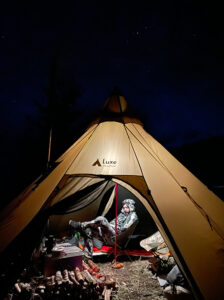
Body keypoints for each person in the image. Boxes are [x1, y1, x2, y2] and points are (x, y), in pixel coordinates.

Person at [69, 199, 138, 256]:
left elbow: (124, 228)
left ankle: (80, 225)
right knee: (90, 228)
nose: (125, 209)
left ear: (131, 207)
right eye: (124, 207)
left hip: (115, 234)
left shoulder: (133, 216)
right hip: (108, 232)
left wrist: (109, 226)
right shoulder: (122, 214)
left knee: (101, 219)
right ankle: (84, 247)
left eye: (127, 207)